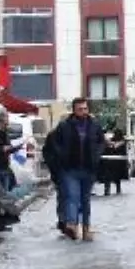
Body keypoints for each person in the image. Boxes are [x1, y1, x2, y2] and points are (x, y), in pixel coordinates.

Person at [47, 98, 105, 241]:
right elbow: (54, 144)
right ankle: (72, 224)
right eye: (80, 109)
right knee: (72, 196)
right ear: (74, 110)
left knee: (85, 199)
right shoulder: (64, 126)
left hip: (88, 168)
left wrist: (96, 155)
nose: (83, 112)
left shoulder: (94, 125)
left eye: (85, 109)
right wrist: (62, 157)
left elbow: (101, 141)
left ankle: (86, 229)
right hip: (70, 169)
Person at [99, 124, 128, 196]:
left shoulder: (121, 142)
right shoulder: (119, 141)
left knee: (111, 178)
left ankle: (109, 190)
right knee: (111, 178)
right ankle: (110, 190)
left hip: (114, 163)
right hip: (113, 163)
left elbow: (115, 147)